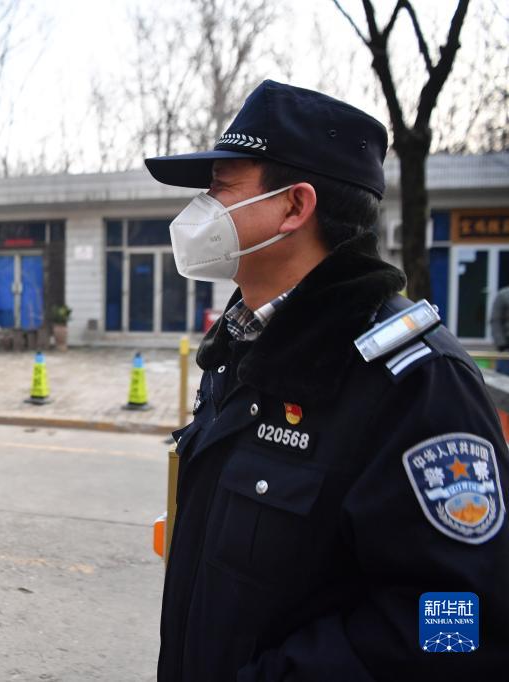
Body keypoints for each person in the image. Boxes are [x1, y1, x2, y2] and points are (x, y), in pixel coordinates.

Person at [145, 80, 507, 680]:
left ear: (294, 207)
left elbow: (462, 625)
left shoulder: (417, 384)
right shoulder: (243, 348)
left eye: (220, 188)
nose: (200, 210)